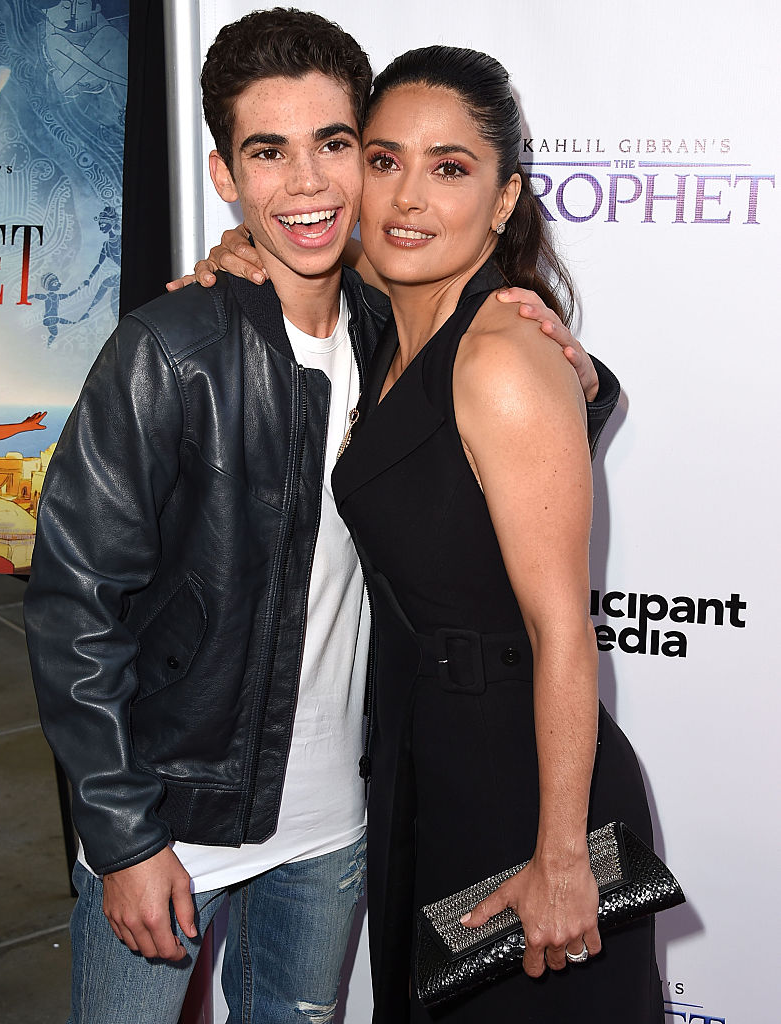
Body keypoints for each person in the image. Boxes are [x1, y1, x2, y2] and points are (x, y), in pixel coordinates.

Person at [24, 10, 615, 1024]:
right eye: (268, 153)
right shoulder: (170, 352)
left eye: (335, 145)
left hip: (336, 826)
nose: (307, 183)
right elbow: (74, 606)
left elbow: (496, 450)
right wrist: (120, 837)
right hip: (173, 826)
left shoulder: (394, 325)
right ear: (225, 174)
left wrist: (581, 373)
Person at [328, 47, 662, 1023]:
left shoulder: (501, 357)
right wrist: (237, 254)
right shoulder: (394, 316)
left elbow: (563, 630)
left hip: (523, 788)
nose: (406, 197)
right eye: (383, 161)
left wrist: (561, 857)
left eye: (450, 167)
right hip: (430, 765)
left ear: (505, 196)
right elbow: (308, 245)